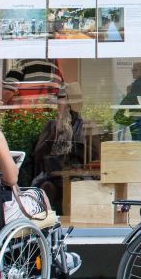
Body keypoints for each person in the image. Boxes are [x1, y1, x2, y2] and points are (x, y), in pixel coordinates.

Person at [30, 84, 85, 212]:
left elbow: (89, 155)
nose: (62, 103)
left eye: (65, 99)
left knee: (77, 187)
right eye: (60, 99)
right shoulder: (51, 125)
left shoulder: (83, 125)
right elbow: (37, 155)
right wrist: (55, 130)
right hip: (52, 175)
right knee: (45, 187)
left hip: (75, 174)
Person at [118, 61, 141, 140]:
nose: (132, 72)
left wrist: (120, 108)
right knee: (140, 140)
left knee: (138, 141)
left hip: (138, 116)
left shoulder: (139, 84)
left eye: (135, 70)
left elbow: (130, 99)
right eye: (132, 70)